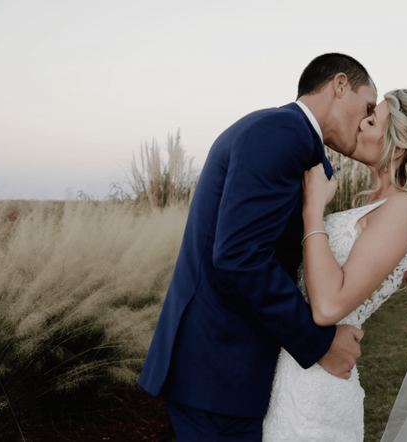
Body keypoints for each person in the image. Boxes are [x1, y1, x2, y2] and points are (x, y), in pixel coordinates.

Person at [136, 53, 377, 442]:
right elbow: (239, 254)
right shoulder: (281, 132)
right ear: (339, 85)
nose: (368, 120)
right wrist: (319, 344)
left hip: (227, 368)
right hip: (219, 368)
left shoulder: (289, 136)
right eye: (368, 107)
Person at [263, 89, 407, 441]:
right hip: (296, 368)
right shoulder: (378, 204)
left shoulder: (404, 209)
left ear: (398, 146)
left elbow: (327, 307)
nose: (360, 123)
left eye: (371, 120)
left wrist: (312, 210)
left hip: (312, 393)